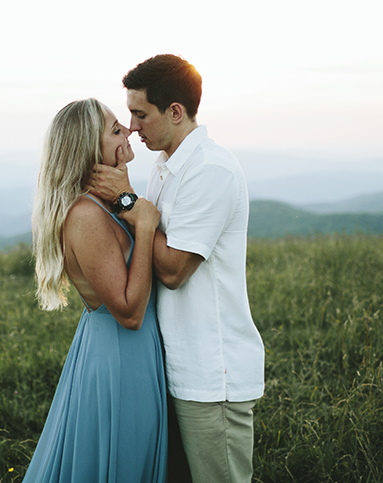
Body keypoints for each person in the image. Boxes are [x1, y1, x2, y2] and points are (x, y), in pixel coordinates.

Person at [89, 54, 265, 483]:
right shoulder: (166, 167)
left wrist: (127, 200)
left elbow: (173, 270)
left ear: (175, 111)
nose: (132, 126)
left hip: (211, 375)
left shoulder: (210, 170)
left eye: (140, 113)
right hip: (175, 368)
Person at [23, 98, 168, 483]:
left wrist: (129, 201)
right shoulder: (85, 214)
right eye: (116, 130)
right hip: (119, 358)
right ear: (91, 147)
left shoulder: (107, 204)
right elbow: (129, 312)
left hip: (132, 355)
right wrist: (146, 224)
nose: (129, 131)